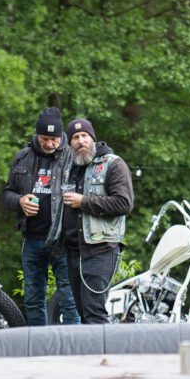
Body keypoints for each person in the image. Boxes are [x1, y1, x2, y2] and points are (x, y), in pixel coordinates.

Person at [1, 106, 79, 326]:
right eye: (45, 138)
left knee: (69, 299)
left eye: (54, 139)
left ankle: (77, 349)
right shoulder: (22, 157)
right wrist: (19, 201)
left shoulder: (73, 157)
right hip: (32, 238)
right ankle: (39, 347)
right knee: (33, 299)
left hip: (63, 239)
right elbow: (5, 194)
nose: (50, 144)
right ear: (37, 135)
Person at [59, 117, 134, 324]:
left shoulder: (114, 164)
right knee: (83, 314)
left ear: (92, 138)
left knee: (94, 314)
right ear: (70, 143)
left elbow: (123, 204)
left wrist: (84, 202)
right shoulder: (70, 168)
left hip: (100, 249)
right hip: (74, 250)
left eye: (84, 136)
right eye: (75, 137)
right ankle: (91, 356)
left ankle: (104, 356)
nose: (80, 141)